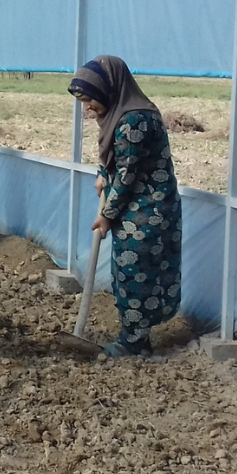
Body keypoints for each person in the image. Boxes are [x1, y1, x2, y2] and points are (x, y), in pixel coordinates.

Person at [69, 55, 182, 357]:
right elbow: (113, 159)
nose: (87, 108)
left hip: (148, 210)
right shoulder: (119, 114)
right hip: (134, 206)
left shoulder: (134, 120)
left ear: (108, 90)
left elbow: (127, 175)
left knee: (135, 276)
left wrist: (106, 216)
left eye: (90, 99)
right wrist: (100, 174)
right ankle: (135, 336)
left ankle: (135, 344)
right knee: (128, 273)